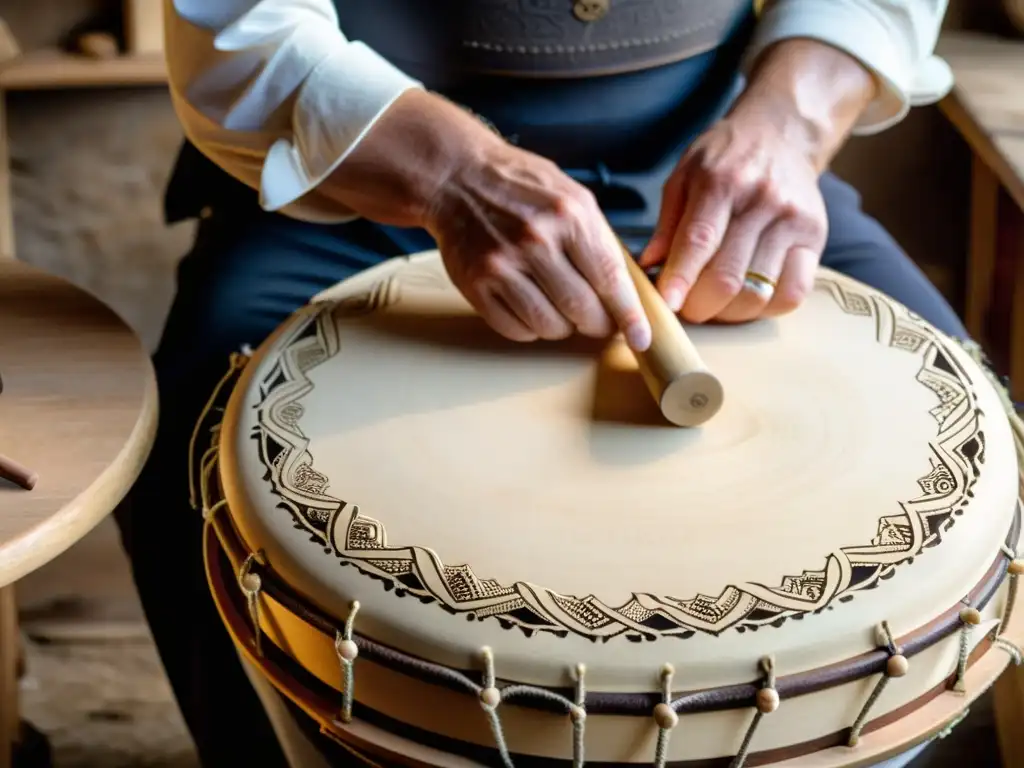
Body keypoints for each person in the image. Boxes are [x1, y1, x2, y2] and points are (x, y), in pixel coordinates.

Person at [115, 1, 961, 765]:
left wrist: (787, 130)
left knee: (980, 442)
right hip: (372, 173)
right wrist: (452, 177)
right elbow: (231, 26)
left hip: (715, 164)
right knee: (190, 457)